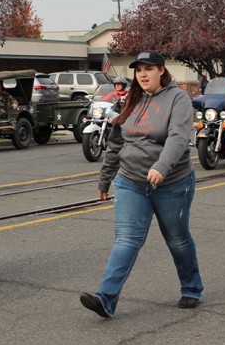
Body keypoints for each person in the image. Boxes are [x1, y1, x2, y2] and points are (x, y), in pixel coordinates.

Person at [79, 50, 204, 318]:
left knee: (177, 238)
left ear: (161, 70)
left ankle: (192, 288)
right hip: (131, 181)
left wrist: (162, 166)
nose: (143, 74)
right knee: (127, 240)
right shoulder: (132, 100)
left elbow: (178, 138)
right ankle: (106, 298)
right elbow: (116, 143)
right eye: (138, 70)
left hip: (171, 182)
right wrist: (105, 178)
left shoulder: (178, 99)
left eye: (148, 69)